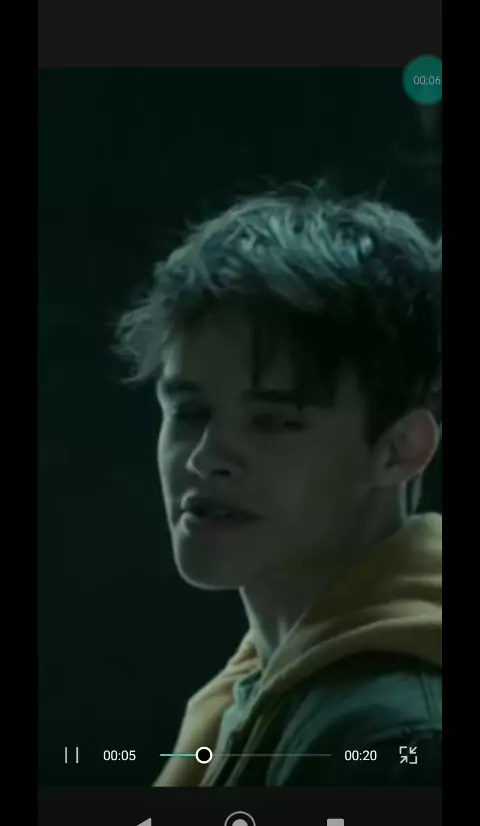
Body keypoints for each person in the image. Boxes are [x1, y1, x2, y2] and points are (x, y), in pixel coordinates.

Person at [115, 183, 442, 786]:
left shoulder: (394, 737)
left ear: (399, 450)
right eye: (189, 411)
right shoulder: (259, 685)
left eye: (271, 421)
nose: (206, 458)